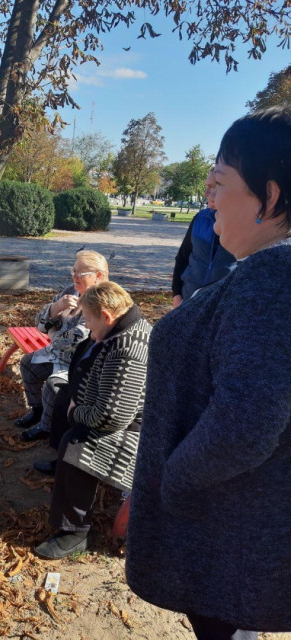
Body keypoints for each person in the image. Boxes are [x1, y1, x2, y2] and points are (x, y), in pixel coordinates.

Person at [126, 106, 291, 640]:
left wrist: (171, 480)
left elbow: (246, 423)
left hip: (234, 535)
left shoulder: (270, 280)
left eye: (219, 182)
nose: (209, 198)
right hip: (249, 526)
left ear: (269, 198)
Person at [34, 281, 152, 559]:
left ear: (107, 316)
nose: (86, 325)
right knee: (62, 400)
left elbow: (113, 417)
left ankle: (74, 532)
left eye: (88, 319)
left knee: (76, 443)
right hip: (110, 411)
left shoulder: (128, 349)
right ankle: (62, 470)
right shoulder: (119, 326)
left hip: (137, 430)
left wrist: (77, 412)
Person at [15, 250, 108, 442]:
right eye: (72, 271)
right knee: (27, 364)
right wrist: (56, 308)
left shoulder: (103, 300)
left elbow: (78, 339)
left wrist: (53, 330)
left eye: (79, 274)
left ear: (97, 276)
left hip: (83, 364)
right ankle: (37, 410)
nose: (74, 276)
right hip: (60, 354)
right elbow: (39, 324)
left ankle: (46, 426)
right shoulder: (71, 291)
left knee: (54, 385)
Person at [172, 169, 236, 308]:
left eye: (213, 186)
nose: (206, 193)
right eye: (206, 186)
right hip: (188, 303)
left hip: (222, 309)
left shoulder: (245, 227)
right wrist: (177, 295)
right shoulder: (200, 218)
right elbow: (183, 257)